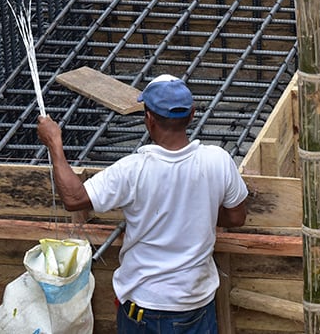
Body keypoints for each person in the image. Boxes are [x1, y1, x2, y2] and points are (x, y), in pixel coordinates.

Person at [37, 74, 249, 333]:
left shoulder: (133, 170)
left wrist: (54, 144)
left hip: (145, 307)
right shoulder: (218, 160)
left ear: (148, 118)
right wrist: (195, 214)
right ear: (192, 114)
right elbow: (237, 217)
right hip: (196, 303)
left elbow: (74, 198)